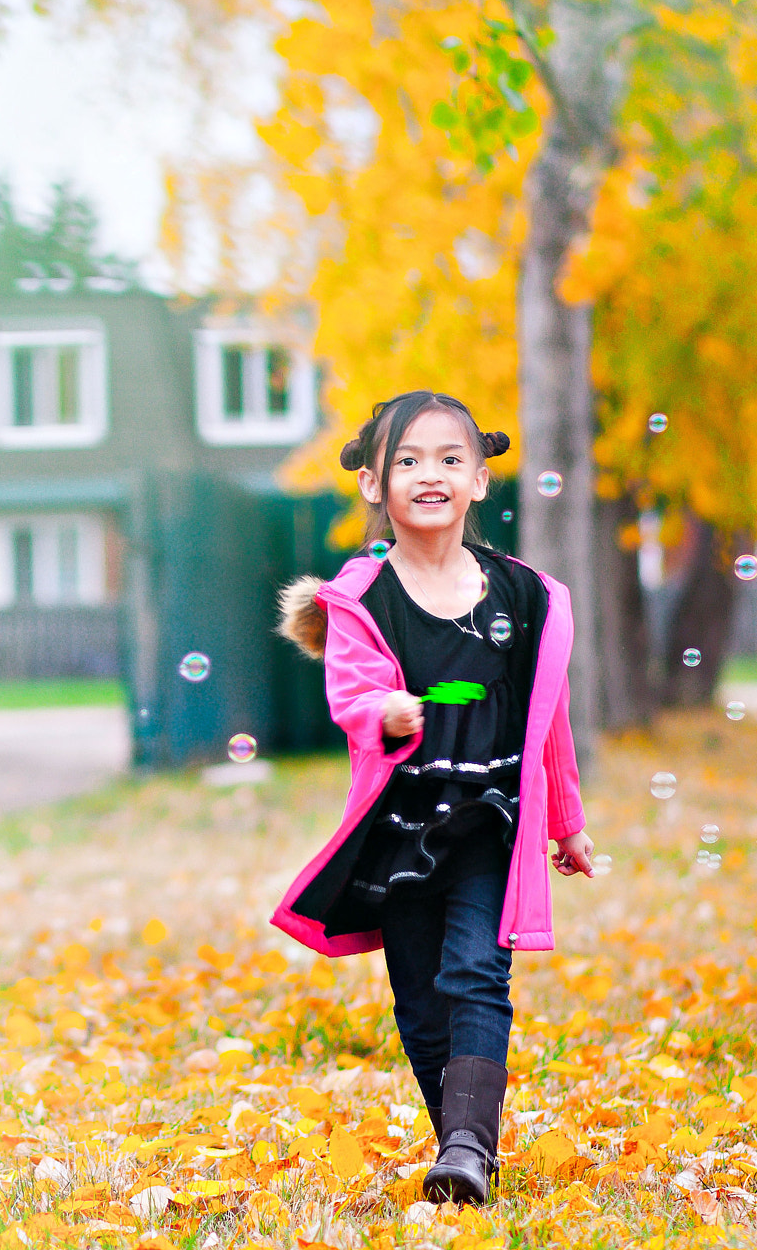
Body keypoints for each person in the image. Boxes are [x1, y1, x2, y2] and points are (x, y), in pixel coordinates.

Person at [269, 390, 595, 1206]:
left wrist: (568, 822)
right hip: (402, 826)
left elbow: (546, 719)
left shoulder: (523, 596)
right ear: (375, 485)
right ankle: (460, 1140)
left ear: (480, 481)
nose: (429, 474)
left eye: (450, 459)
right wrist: (381, 708)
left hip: (492, 820)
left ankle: (467, 1150)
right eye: (407, 460)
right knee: (418, 1000)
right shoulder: (359, 594)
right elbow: (350, 686)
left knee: (477, 974)